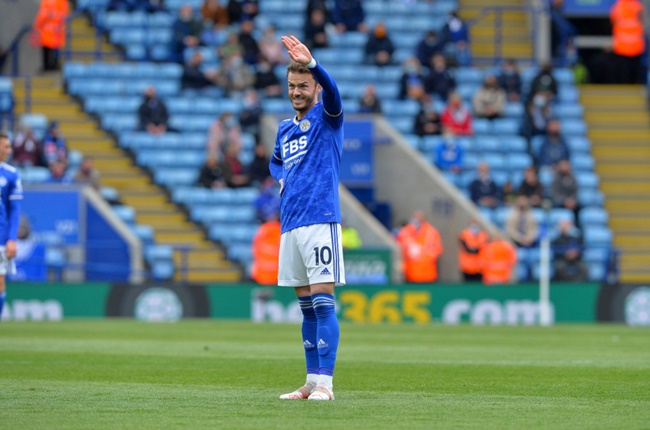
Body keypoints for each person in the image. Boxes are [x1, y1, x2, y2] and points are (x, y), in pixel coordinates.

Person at [270, 35, 345, 401]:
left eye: (303, 85)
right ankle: (311, 381)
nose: (297, 92)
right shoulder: (284, 128)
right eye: (292, 86)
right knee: (305, 309)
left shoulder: (327, 117)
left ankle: (327, 385)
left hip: (320, 218)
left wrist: (315, 65)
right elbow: (274, 160)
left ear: (314, 86)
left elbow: (334, 93)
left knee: (322, 302)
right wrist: (281, 178)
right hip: (291, 223)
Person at [0, 132, 22, 320]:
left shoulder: (11, 174)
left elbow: (15, 210)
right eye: (6, 146)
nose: (10, 150)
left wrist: (12, 238)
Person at [396, 210, 444, 283]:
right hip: (410, 274)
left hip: (428, 273)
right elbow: (399, 248)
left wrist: (422, 255)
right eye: (416, 217)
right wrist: (410, 252)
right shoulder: (405, 231)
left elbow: (437, 249)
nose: (417, 219)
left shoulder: (432, 231)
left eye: (420, 217)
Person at [610, 0, 645, 84]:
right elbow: (642, 20)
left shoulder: (618, 6)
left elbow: (613, 21)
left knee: (624, 71)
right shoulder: (637, 5)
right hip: (634, 45)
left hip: (623, 45)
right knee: (633, 71)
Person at [33, 0, 69, 71]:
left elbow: (43, 15)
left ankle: (47, 66)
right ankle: (54, 64)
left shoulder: (48, 1)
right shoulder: (63, 2)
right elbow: (65, 14)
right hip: (58, 30)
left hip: (47, 30)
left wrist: (36, 26)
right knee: (55, 49)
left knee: (46, 50)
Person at [251, 212, 281, 285]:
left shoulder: (263, 229)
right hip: (275, 275)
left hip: (264, 274)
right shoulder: (265, 229)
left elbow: (254, 249)